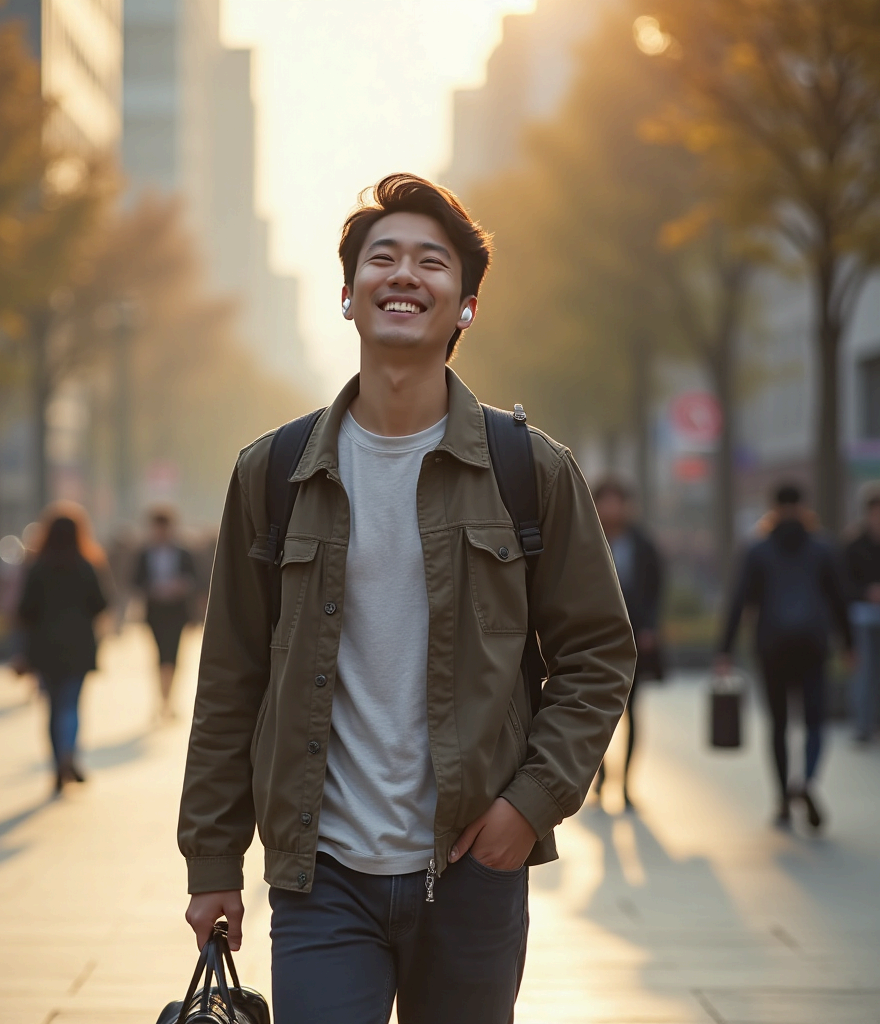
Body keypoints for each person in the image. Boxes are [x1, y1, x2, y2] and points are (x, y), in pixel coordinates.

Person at [178, 173, 636, 1024]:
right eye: (382, 258)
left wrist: (527, 808)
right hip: (321, 875)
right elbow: (231, 678)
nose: (405, 275)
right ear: (348, 296)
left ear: (464, 305)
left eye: (432, 262)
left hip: (473, 869)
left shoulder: (530, 471)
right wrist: (213, 862)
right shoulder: (272, 473)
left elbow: (599, 653)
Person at [717, 482, 852, 831]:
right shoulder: (822, 548)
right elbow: (840, 599)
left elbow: (740, 600)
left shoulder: (758, 549)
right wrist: (850, 645)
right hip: (813, 644)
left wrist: (725, 650)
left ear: (772, 507)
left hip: (772, 645)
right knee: (814, 722)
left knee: (778, 725)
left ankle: (781, 801)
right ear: (804, 506)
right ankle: (805, 781)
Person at [18, 506, 108, 794]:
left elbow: (25, 610)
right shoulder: (86, 565)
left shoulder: (38, 567)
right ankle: (70, 757)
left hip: (45, 648)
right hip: (79, 645)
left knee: (53, 707)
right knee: (71, 705)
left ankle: (59, 762)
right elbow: (101, 604)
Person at [592, 476, 663, 809]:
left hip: (634, 638)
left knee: (632, 711)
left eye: (617, 501)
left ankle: (627, 785)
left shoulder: (642, 544)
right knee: (596, 713)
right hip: (594, 639)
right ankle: (602, 775)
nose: (611, 508)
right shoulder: (586, 537)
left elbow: (655, 589)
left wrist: (650, 627)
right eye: (605, 501)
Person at [133, 508, 198, 720]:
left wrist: (181, 587)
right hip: (155, 611)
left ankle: (169, 700)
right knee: (159, 655)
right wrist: (152, 588)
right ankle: (161, 699)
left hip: (177, 611)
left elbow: (196, 578)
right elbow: (135, 580)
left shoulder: (183, 553)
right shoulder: (145, 553)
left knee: (174, 655)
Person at [845, 483, 880, 743]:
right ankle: (862, 725)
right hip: (861, 615)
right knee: (864, 672)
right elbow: (843, 583)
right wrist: (866, 592)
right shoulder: (854, 544)